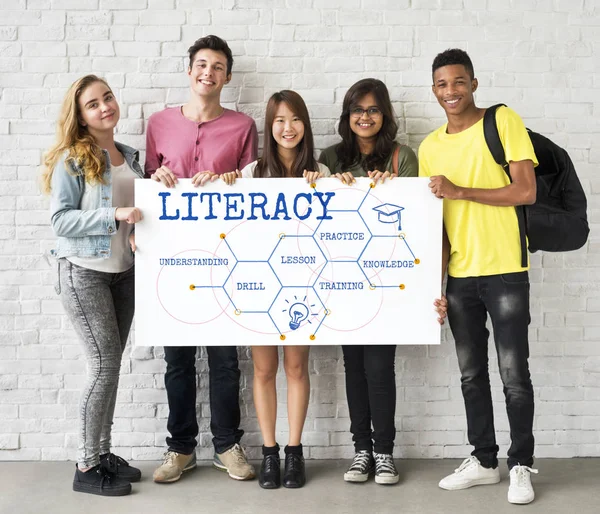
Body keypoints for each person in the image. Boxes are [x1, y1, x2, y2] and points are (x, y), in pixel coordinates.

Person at [419, 48, 538, 505]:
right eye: (443, 84)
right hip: (460, 277)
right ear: (434, 90)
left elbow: (524, 189)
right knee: (471, 375)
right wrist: (438, 285)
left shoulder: (502, 120)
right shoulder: (430, 147)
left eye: (459, 81)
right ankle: (485, 462)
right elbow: (439, 224)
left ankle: (520, 466)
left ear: (473, 83)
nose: (451, 91)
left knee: (514, 375)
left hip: (506, 268)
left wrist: (460, 189)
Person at [146, 35, 258, 484]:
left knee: (226, 360)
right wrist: (156, 176)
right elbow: (148, 184)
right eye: (201, 64)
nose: (207, 72)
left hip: (224, 260)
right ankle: (180, 449)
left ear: (227, 77)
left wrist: (232, 179)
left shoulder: (243, 126)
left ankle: (228, 445)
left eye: (217, 67)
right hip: (172, 260)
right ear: (189, 70)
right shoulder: (158, 123)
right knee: (177, 360)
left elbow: (253, 190)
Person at [221, 90, 330, 489]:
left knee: (297, 367)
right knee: (264, 370)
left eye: (296, 119)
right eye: (280, 120)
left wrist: (330, 186)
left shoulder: (319, 171)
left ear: (305, 124)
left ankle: (294, 452)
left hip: (302, 287)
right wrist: (224, 183)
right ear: (270, 126)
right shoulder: (251, 173)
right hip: (260, 289)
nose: (288, 128)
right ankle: (269, 453)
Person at [43, 75, 144, 496]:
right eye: (92, 104)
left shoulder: (131, 157)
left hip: (123, 273)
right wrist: (114, 215)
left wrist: (140, 231)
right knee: (103, 367)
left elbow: (140, 216)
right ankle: (86, 464)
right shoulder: (74, 158)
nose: (104, 107)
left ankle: (102, 453)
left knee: (112, 367)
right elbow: (60, 220)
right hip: (84, 272)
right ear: (81, 116)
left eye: (107, 97)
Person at [319, 78, 420, 485]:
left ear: (385, 115)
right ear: (347, 116)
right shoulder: (329, 156)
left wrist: (392, 194)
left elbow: (417, 218)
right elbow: (313, 213)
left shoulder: (402, 157)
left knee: (380, 367)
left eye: (374, 109)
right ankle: (361, 450)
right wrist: (326, 181)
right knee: (353, 366)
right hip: (341, 280)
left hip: (384, 279)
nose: (365, 117)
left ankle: (384, 453)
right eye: (357, 110)